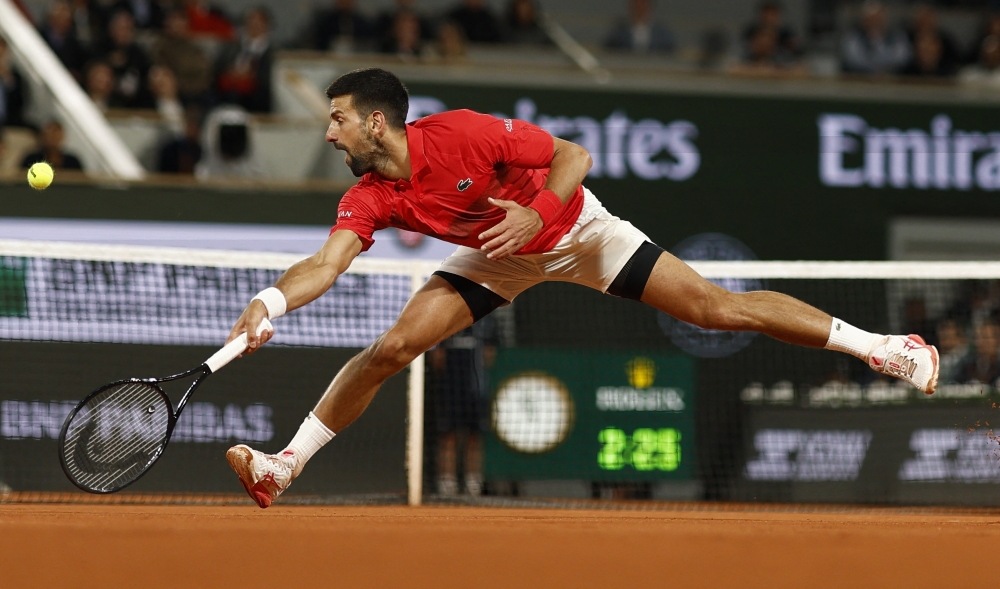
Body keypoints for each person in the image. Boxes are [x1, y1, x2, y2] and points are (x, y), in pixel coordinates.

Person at [220, 67, 942, 509]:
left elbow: (574, 154)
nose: (330, 134)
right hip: (497, 255)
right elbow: (325, 263)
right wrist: (270, 302)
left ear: (376, 121)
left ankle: (883, 347)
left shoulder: (463, 135)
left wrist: (536, 211)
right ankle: (286, 466)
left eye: (338, 120)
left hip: (576, 232)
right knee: (392, 347)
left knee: (718, 310)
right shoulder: (374, 192)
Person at [429, 315, 498, 496]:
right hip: (450, 386)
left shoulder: (487, 316)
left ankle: (473, 482)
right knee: (447, 434)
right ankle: (446, 483)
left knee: (475, 435)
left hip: (476, 386)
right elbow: (437, 357)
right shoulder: (445, 316)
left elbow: (490, 354)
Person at [215, 7, 273, 113]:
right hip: (230, 85)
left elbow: (267, 77)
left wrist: (250, 75)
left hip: (255, 92)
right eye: (251, 21)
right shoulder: (233, 46)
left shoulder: (271, 52)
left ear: (266, 25)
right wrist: (231, 71)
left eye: (258, 22)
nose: (253, 25)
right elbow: (220, 65)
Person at [841, 0, 912, 75]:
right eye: (871, 20)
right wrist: (875, 70)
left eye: (878, 19)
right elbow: (853, 59)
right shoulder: (854, 38)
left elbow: (902, 57)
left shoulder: (897, 36)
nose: (875, 23)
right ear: (864, 21)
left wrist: (883, 68)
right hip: (862, 78)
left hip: (892, 77)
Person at [604, 0, 675, 53]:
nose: (640, 8)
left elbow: (670, 50)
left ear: (650, 6)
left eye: (643, 4)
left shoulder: (662, 32)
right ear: (631, 6)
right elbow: (608, 48)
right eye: (637, 5)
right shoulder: (619, 30)